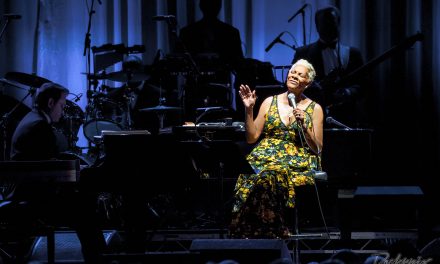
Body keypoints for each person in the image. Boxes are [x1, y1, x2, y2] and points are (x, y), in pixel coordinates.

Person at [9, 82, 107, 263]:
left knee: (84, 206)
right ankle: (99, 258)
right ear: (51, 103)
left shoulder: (32, 119)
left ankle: (99, 257)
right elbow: (49, 170)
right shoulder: (39, 126)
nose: (62, 111)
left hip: (28, 191)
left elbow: (44, 162)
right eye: (62, 105)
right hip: (33, 198)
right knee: (85, 212)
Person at [229, 59, 324, 239]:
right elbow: (251, 138)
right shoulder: (268, 101)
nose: (294, 75)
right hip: (263, 158)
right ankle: (267, 231)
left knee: (269, 176)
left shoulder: (314, 108)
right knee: (255, 176)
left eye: (300, 74)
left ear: (308, 82)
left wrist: (305, 126)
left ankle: (259, 232)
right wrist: (249, 110)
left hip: (295, 160)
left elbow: (318, 148)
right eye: (293, 72)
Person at [292, 6, 368, 128]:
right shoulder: (303, 53)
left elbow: (364, 85)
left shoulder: (354, 53)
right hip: (312, 120)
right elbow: (293, 85)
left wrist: (347, 92)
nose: (329, 27)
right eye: (325, 23)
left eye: (332, 23)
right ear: (317, 27)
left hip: (348, 117)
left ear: (338, 24)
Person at [178, 0, 244, 121]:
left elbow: (238, 62)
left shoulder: (230, 32)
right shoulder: (188, 32)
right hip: (195, 85)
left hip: (221, 85)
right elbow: (179, 60)